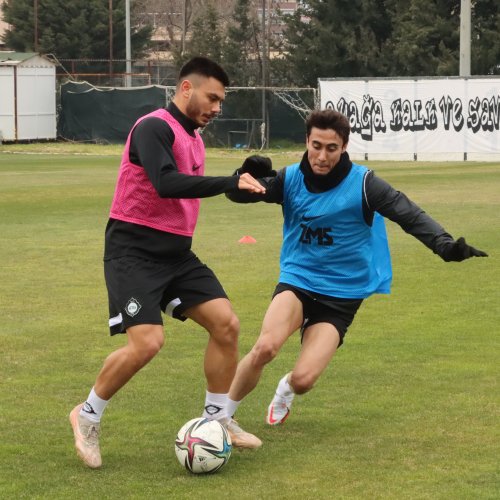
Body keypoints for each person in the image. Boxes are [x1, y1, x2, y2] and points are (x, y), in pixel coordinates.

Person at [224, 109, 488, 446]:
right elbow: (237, 192)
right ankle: (220, 418)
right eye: (316, 146)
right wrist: (243, 175)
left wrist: (445, 245)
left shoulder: (364, 184)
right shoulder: (290, 179)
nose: (322, 156)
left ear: (344, 147)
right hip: (299, 280)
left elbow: (408, 213)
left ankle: (286, 388)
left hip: (342, 295)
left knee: (304, 380)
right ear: (306, 141)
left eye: (331, 148)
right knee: (265, 346)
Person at [69, 57, 265, 469]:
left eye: (221, 101)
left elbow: (195, 187)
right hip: (133, 251)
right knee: (147, 343)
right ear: (186, 88)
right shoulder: (153, 127)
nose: (217, 108)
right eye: (212, 98)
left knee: (226, 324)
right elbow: (165, 182)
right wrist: (227, 183)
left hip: (176, 254)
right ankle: (86, 416)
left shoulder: (194, 138)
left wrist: (246, 181)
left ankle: (217, 420)